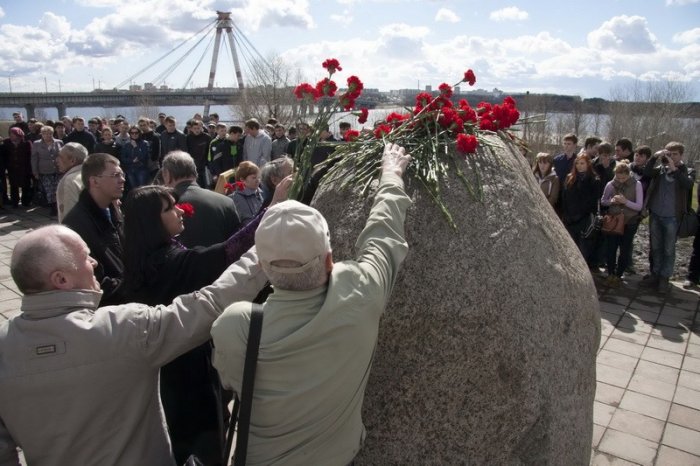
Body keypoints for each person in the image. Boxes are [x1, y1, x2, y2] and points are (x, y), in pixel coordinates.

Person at [211, 143, 411, 466]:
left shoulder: (235, 327)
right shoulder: (360, 292)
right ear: (329, 259)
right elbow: (382, 236)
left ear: (261, 266)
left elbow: (229, 380)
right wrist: (391, 175)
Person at [0, 224, 268, 466]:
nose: (94, 262)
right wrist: (267, 249)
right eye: (84, 257)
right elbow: (209, 304)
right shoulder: (124, 328)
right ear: (61, 280)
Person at [122, 179, 290, 465]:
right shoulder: (172, 265)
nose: (180, 211)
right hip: (186, 380)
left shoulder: (139, 259)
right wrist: (272, 210)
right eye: (170, 208)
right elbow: (227, 254)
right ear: (152, 222)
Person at [62, 153, 126, 305]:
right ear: (94, 181)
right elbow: (94, 283)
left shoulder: (113, 211)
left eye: (122, 174)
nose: (122, 180)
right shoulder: (75, 225)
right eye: (115, 175)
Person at [640, 142, 696, 293]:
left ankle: (665, 278)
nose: (671, 157)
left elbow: (688, 184)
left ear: (681, 155)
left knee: (669, 249)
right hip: (656, 214)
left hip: (672, 217)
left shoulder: (687, 170)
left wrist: (674, 169)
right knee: (656, 247)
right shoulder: (660, 170)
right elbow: (646, 172)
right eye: (669, 154)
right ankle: (655, 274)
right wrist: (654, 158)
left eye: (675, 154)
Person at [161, 150, 241, 248]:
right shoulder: (226, 202)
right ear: (196, 173)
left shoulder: (164, 208)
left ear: (167, 175)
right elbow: (237, 244)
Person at [600, 161, 643, 288]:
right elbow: (603, 201)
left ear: (629, 174)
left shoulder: (637, 185)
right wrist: (611, 201)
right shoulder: (610, 184)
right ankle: (611, 273)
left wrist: (625, 202)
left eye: (624, 178)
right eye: (618, 177)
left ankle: (619, 275)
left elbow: (639, 206)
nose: (621, 180)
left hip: (630, 221)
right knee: (611, 248)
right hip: (614, 220)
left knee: (625, 249)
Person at [560, 153, 601, 265]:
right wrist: (566, 214)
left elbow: (592, 202)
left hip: (584, 219)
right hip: (569, 218)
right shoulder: (570, 178)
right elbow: (564, 197)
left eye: (582, 163)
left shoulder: (594, 180)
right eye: (577, 163)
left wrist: (579, 216)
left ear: (588, 164)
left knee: (582, 250)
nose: (579, 166)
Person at [31, 126, 63, 216]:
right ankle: (53, 208)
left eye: (50, 133)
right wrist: (35, 171)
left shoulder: (59, 142)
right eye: (45, 133)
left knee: (58, 189)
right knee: (50, 190)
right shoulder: (36, 144)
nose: (48, 135)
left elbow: (62, 155)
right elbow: (34, 158)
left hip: (58, 169)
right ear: (42, 134)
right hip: (44, 171)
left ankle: (59, 206)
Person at [56, 142, 88, 222]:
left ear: (72, 160)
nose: (57, 160)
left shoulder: (69, 181)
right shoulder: (91, 174)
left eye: (60, 157)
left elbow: (69, 217)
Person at [2, 127, 33, 208]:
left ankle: (25, 201)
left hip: (24, 168)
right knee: (13, 185)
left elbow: (30, 155)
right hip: (12, 168)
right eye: (10, 134)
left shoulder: (26, 143)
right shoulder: (7, 142)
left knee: (25, 185)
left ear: (18, 134)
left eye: (13, 134)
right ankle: (14, 202)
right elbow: (4, 155)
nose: (11, 136)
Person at [230, 161, 263, 225]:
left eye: (259, 177)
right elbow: (247, 222)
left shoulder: (259, 192)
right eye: (254, 177)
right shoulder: (238, 197)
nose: (258, 180)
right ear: (242, 179)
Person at [120, 125, 151, 190]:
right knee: (134, 189)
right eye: (132, 133)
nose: (134, 134)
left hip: (141, 169)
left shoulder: (144, 143)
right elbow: (123, 158)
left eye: (136, 133)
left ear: (139, 133)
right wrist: (132, 161)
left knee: (142, 189)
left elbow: (143, 157)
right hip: (130, 170)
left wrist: (136, 147)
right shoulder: (127, 144)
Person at [186, 119, 212, 188]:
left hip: (205, 167)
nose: (197, 130)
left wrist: (208, 163)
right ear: (191, 129)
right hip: (193, 167)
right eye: (195, 128)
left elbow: (210, 152)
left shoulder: (207, 137)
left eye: (198, 128)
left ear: (201, 128)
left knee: (207, 186)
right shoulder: (188, 138)